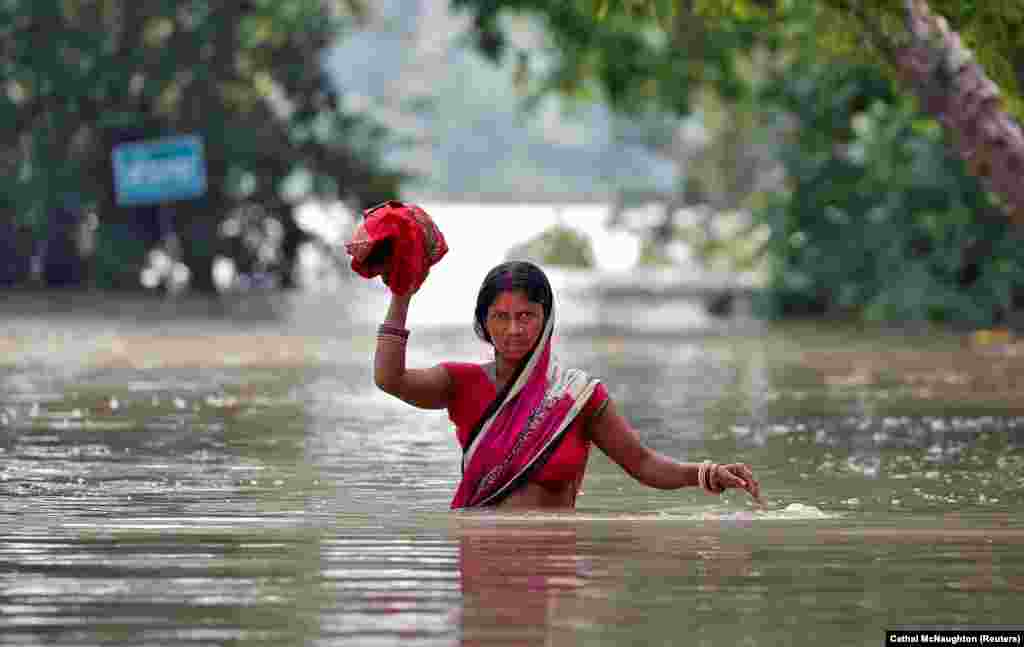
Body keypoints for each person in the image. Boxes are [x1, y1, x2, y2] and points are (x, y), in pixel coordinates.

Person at [373, 259, 763, 510]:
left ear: (547, 319)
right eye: (501, 316)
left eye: (527, 315)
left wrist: (706, 473)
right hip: (481, 552)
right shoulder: (460, 382)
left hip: (554, 561)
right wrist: (401, 295)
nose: (514, 329)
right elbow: (390, 380)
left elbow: (643, 464)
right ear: (482, 321)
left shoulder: (579, 396)